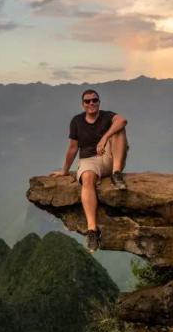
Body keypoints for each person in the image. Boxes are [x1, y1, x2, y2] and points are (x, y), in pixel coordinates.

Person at [50, 89, 129, 253]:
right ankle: (92, 230)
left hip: (109, 157)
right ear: (83, 104)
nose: (91, 103)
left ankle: (116, 173)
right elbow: (73, 148)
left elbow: (122, 120)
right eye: (87, 101)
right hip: (89, 160)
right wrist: (65, 170)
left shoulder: (107, 116)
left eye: (94, 100)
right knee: (87, 178)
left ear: (99, 102)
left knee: (118, 129)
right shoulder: (77, 121)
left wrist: (105, 137)